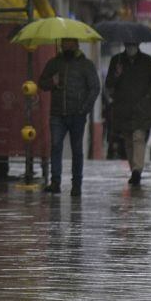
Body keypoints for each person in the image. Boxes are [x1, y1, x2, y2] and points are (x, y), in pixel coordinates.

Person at [39, 38, 101, 196]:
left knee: (77, 150)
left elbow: (94, 88)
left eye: (69, 42)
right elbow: (42, 83)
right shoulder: (54, 63)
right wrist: (52, 82)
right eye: (63, 42)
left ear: (76, 44)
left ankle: (77, 184)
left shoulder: (86, 64)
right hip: (57, 113)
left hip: (77, 115)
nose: (66, 45)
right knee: (56, 146)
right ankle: (55, 182)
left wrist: (84, 109)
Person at [105, 43, 151, 186]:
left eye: (133, 45)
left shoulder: (147, 61)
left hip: (141, 108)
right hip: (123, 108)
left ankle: (137, 170)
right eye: (129, 45)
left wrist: (148, 97)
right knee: (128, 141)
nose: (131, 47)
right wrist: (117, 75)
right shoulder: (117, 60)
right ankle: (134, 171)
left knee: (138, 137)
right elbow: (109, 84)